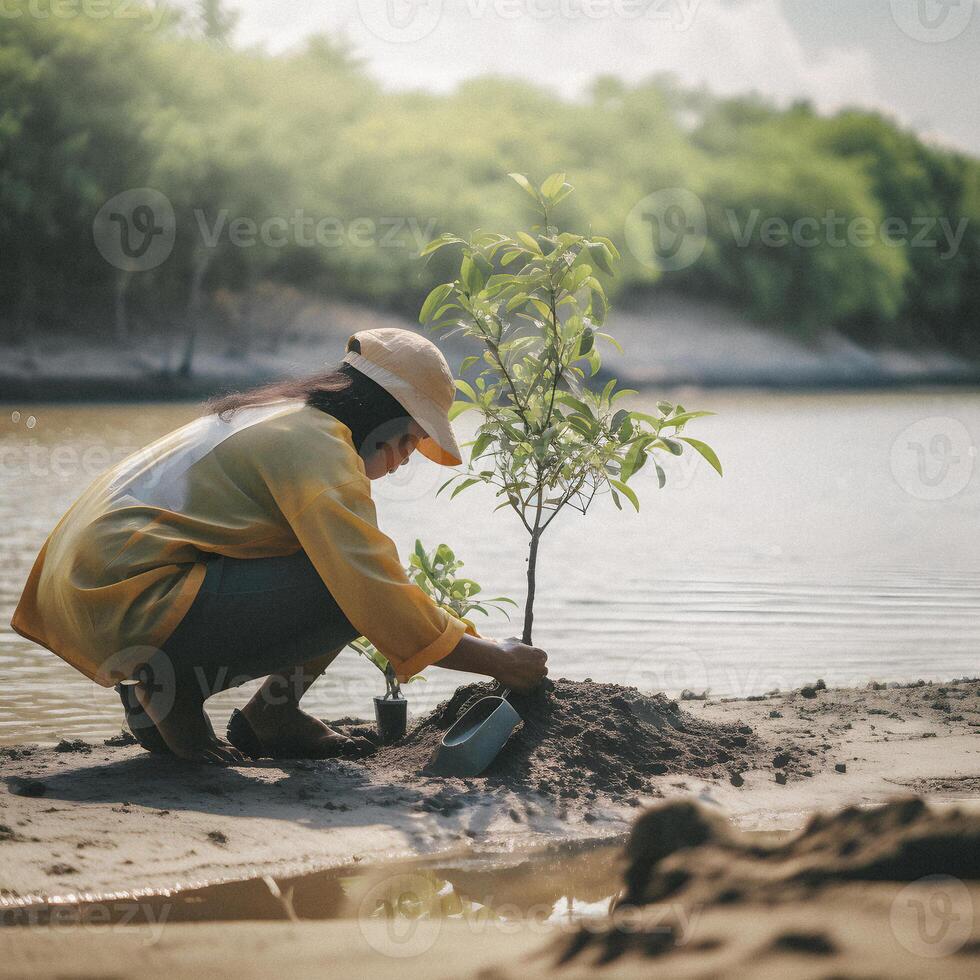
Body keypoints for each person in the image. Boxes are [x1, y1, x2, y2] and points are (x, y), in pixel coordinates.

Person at [11, 328, 548, 765]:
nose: (406, 457)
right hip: (123, 596)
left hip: (91, 592)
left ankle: (266, 712)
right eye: (409, 438)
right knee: (345, 578)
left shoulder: (278, 414)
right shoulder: (317, 448)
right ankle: (174, 690)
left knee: (331, 563)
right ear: (380, 417)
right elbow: (374, 586)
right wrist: (494, 660)